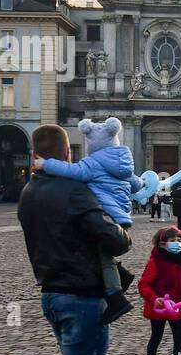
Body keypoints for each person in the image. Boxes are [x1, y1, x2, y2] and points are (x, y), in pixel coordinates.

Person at [18, 124, 131, 355]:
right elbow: (115, 239)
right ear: (66, 154)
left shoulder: (30, 192)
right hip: (82, 295)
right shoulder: (74, 191)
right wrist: (122, 227)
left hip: (52, 293)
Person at [33, 117, 144, 323]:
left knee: (104, 256)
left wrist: (46, 164)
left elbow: (73, 170)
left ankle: (116, 295)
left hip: (107, 214)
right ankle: (121, 277)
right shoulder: (124, 165)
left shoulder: (92, 164)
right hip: (122, 214)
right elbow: (136, 184)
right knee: (103, 254)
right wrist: (145, 181)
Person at [138, 225, 181, 355]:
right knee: (156, 337)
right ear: (162, 244)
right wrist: (154, 298)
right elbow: (144, 284)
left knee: (180, 337)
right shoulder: (156, 261)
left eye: (179, 240)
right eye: (172, 240)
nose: (177, 243)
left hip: (177, 306)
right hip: (159, 307)